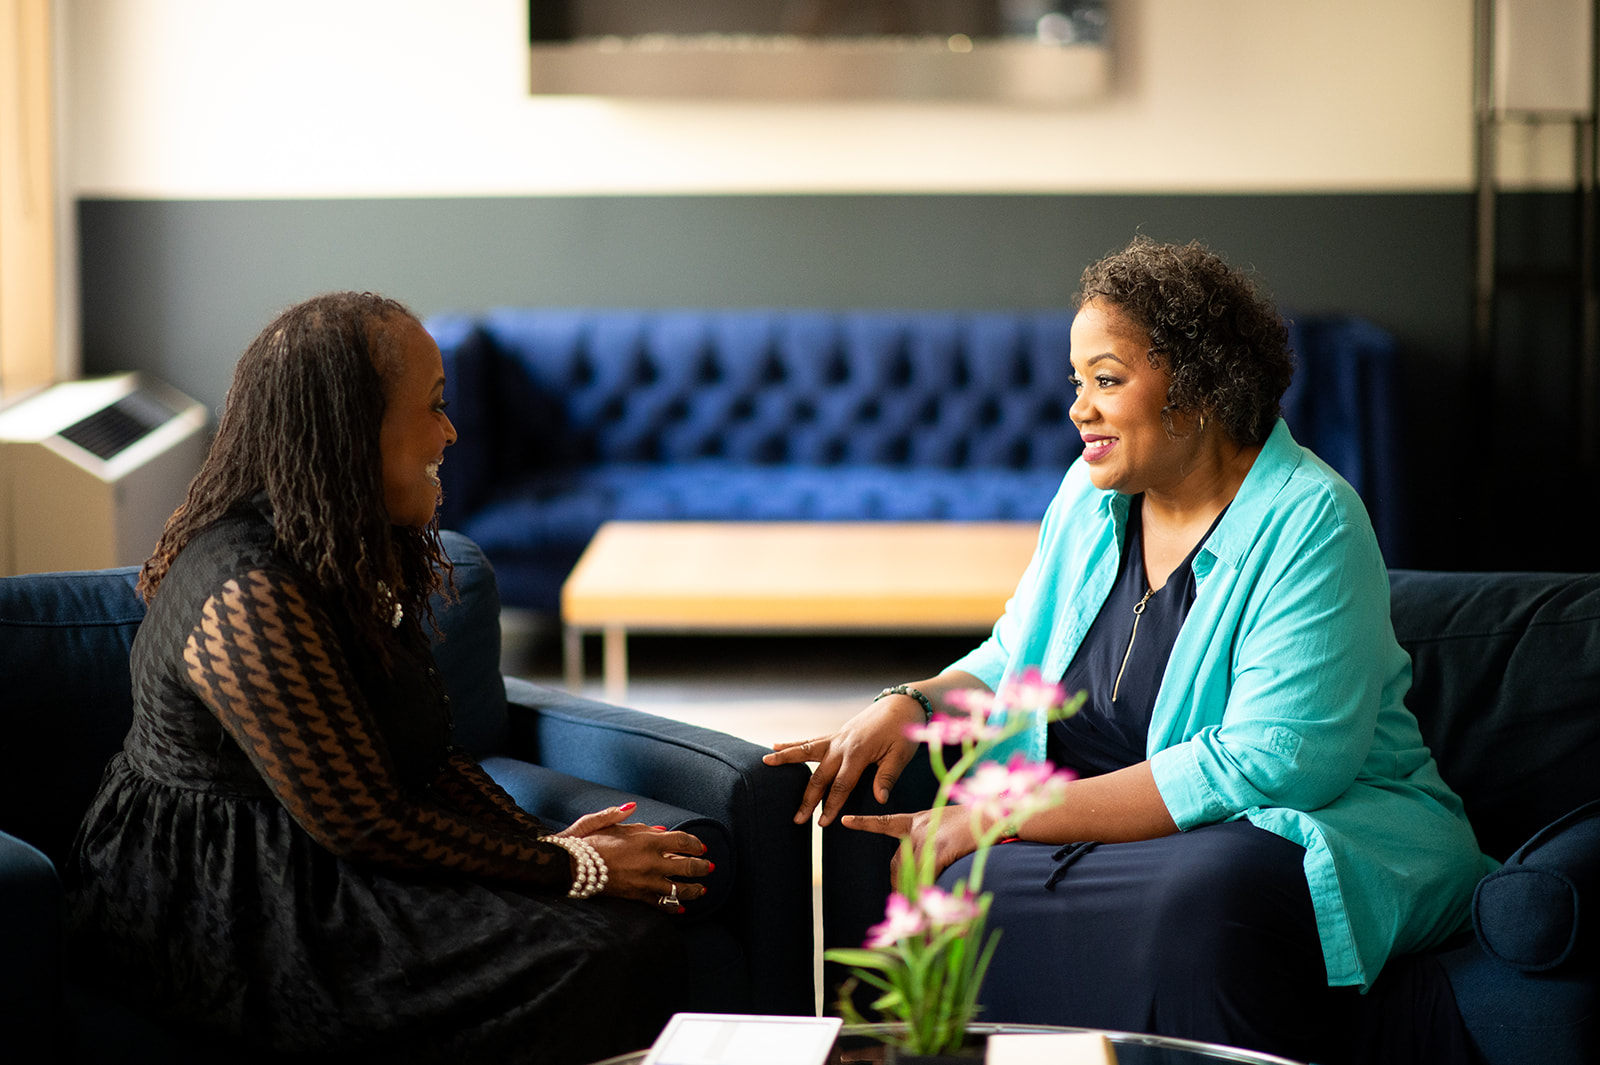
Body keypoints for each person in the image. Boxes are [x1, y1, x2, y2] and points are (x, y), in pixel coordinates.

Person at [765, 238, 1492, 1064]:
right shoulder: (1087, 495)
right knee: (927, 868)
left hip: (1273, 829)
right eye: (1076, 382)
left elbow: (1275, 760)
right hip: (1107, 834)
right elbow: (1015, 656)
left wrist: (1002, 816)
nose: (1080, 408)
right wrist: (912, 701)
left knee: (1201, 897)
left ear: (1201, 384)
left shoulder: (1311, 518)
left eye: (1106, 380)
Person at [66, 292, 710, 1065]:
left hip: (338, 853)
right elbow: (363, 820)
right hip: (228, 902)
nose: (450, 432)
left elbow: (427, 757)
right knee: (604, 954)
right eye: (434, 406)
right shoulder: (244, 588)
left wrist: (540, 838)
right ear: (352, 428)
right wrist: (575, 864)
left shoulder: (348, 547)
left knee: (633, 932)